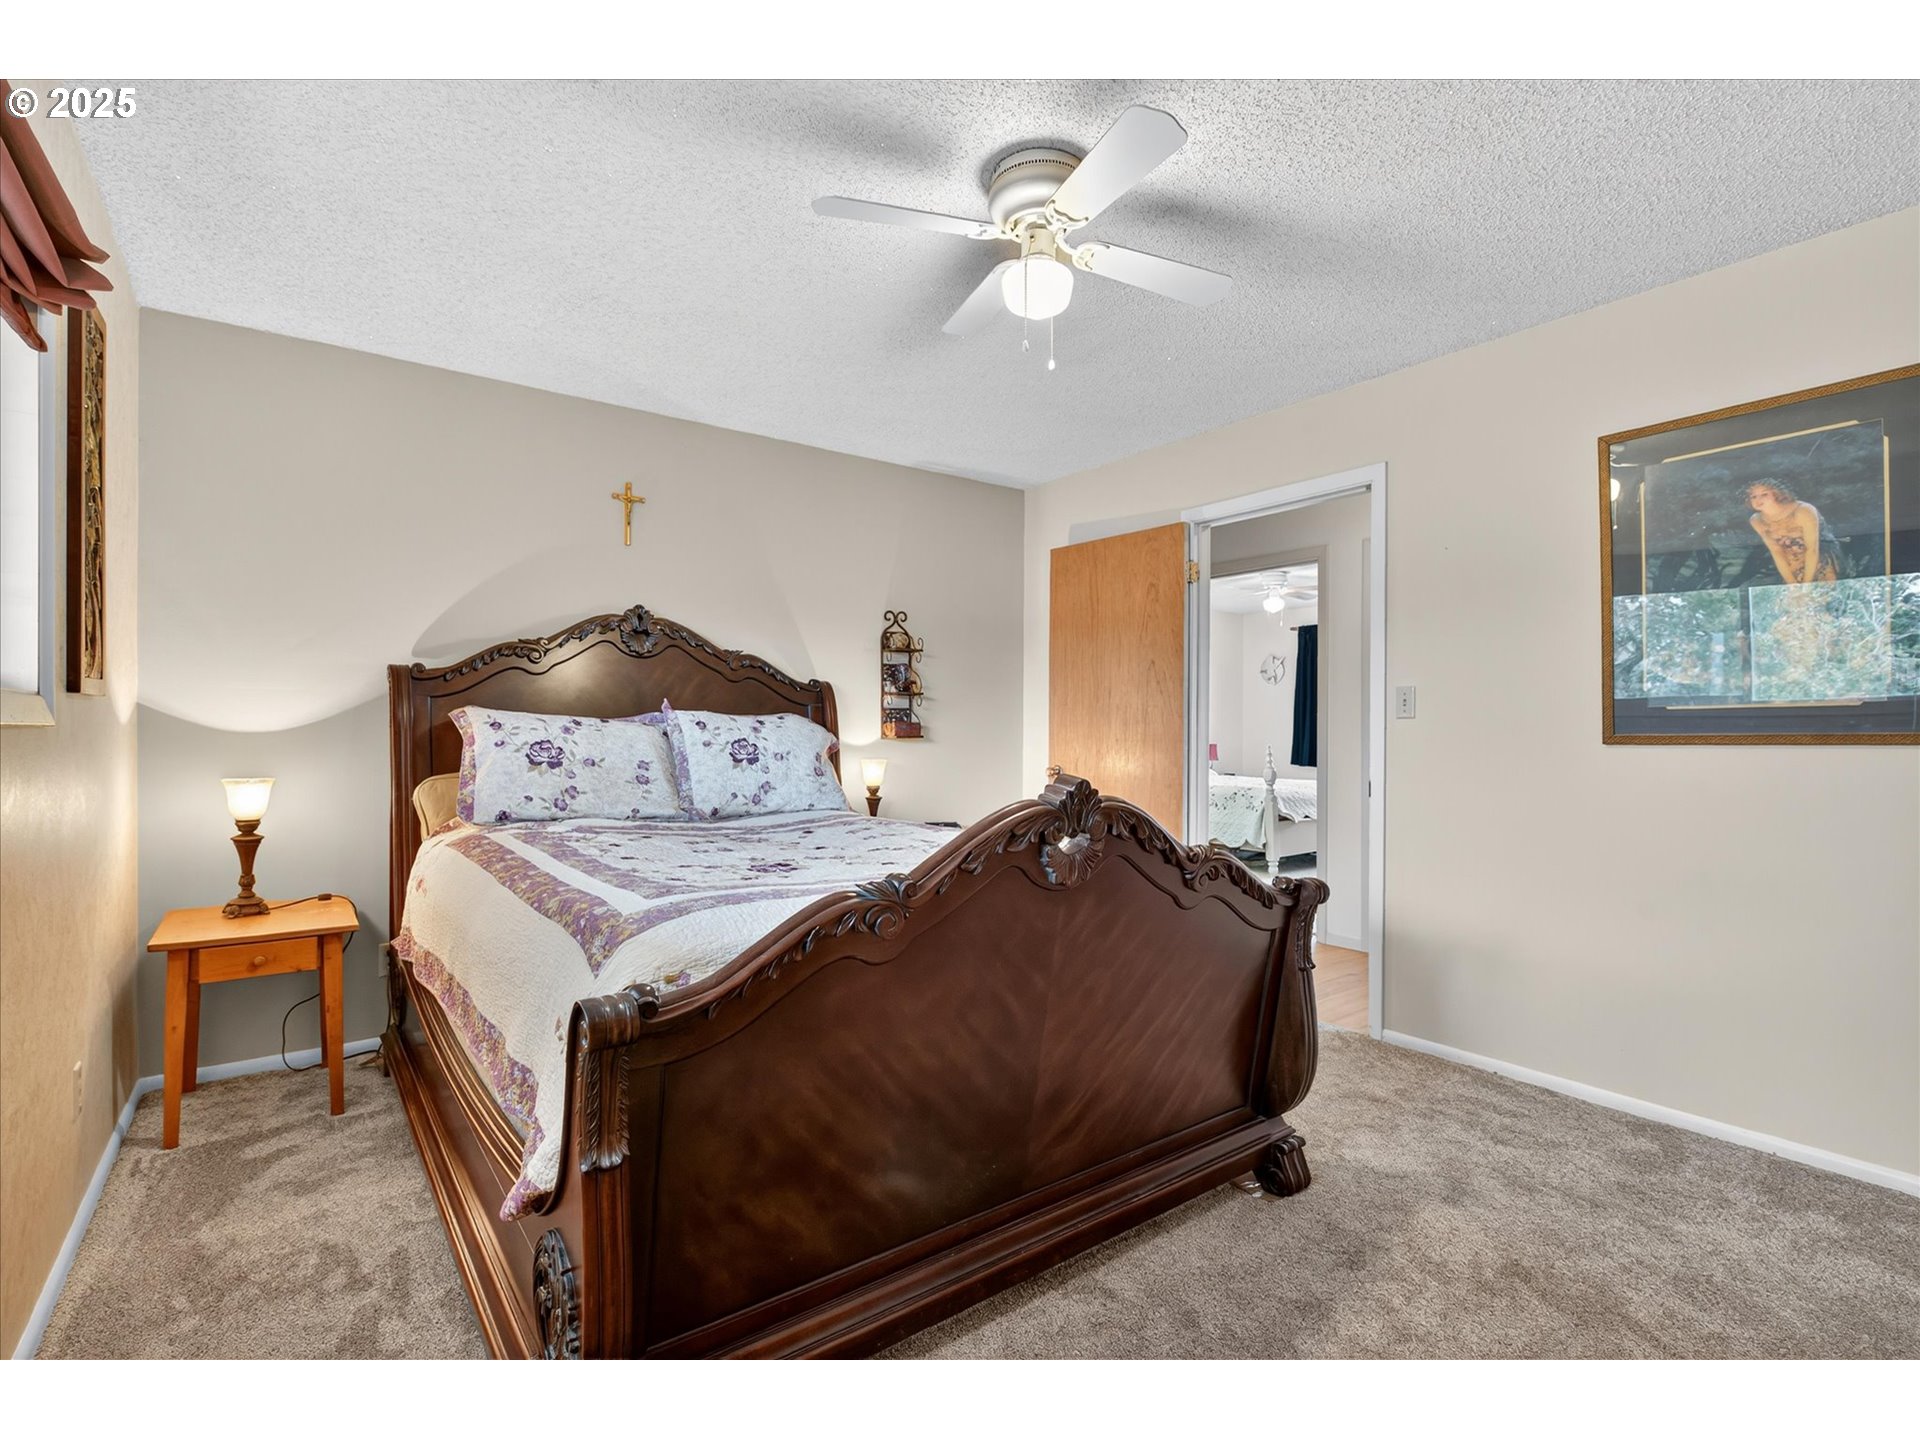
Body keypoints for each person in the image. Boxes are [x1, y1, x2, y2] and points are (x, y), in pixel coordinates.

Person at [1746, 478, 1842, 584]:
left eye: (1764, 494)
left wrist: (1806, 584)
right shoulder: (1756, 520)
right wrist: (1791, 583)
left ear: (1776, 494)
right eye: (1753, 496)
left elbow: (1812, 549)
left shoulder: (1803, 511)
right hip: (1791, 567)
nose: (1758, 500)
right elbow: (1776, 551)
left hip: (1820, 562)